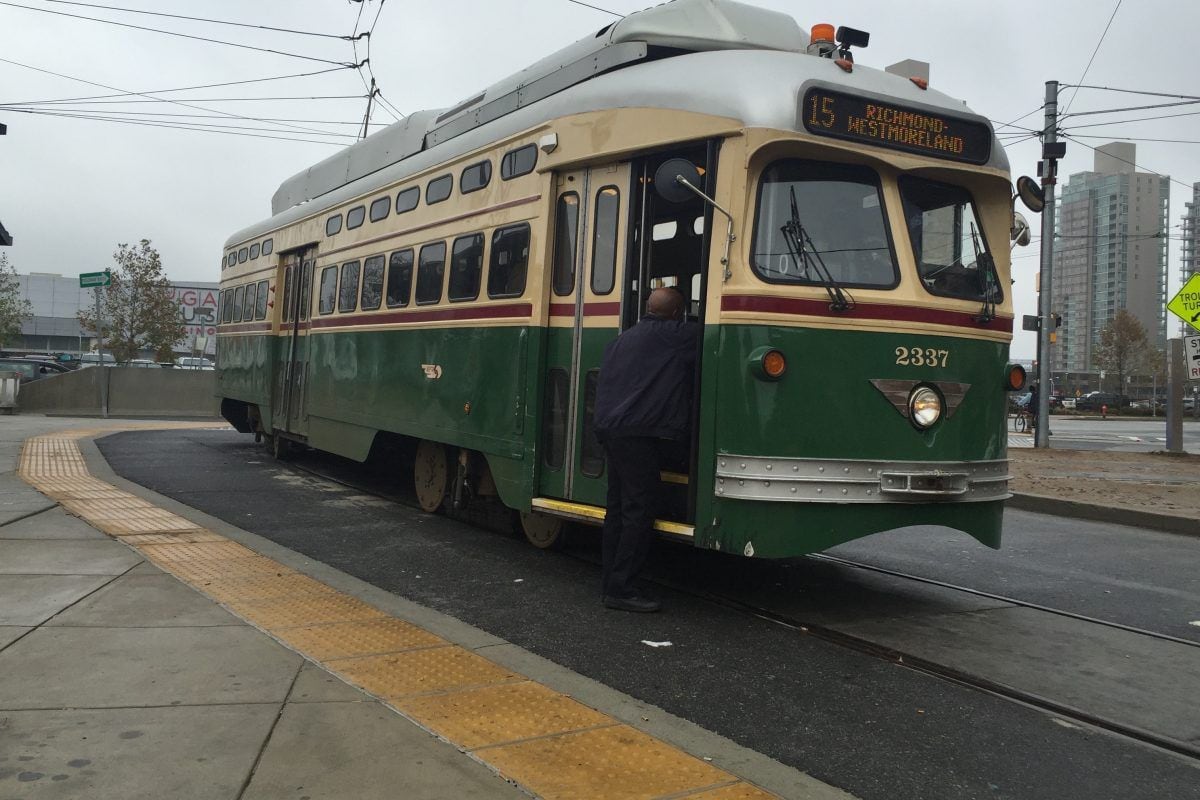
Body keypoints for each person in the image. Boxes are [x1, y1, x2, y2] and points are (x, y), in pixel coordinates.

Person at [593, 287, 699, 613]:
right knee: (639, 510)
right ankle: (622, 588)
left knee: (618, 508)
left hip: (611, 429)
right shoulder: (676, 336)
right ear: (678, 313)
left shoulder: (622, 339)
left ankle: (611, 582)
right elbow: (713, 336)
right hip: (639, 434)